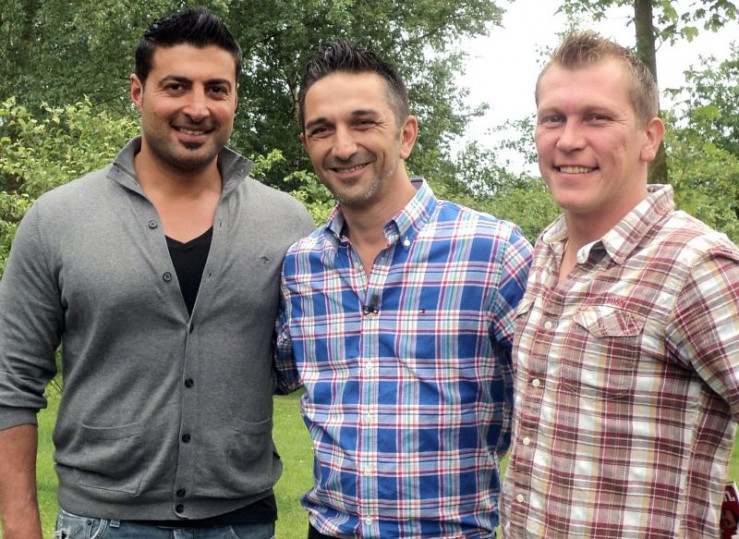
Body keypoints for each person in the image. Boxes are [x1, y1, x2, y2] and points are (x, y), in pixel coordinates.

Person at [0, 7, 314, 539]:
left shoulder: (287, 223)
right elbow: (11, 383)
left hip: (242, 523)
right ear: (137, 91)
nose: (197, 107)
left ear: (235, 98)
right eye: (176, 86)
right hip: (100, 523)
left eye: (216, 89)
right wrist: (20, 526)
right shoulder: (57, 220)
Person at [274, 40, 532, 538]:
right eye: (322, 129)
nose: (342, 146)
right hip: (329, 530)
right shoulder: (302, 266)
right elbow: (277, 374)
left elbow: (555, 400)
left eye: (363, 122)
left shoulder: (493, 252)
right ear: (307, 145)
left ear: (406, 134)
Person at [499, 31, 739, 538]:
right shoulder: (546, 252)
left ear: (650, 137)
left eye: (597, 117)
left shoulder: (695, 264)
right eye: (553, 118)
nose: (569, 140)